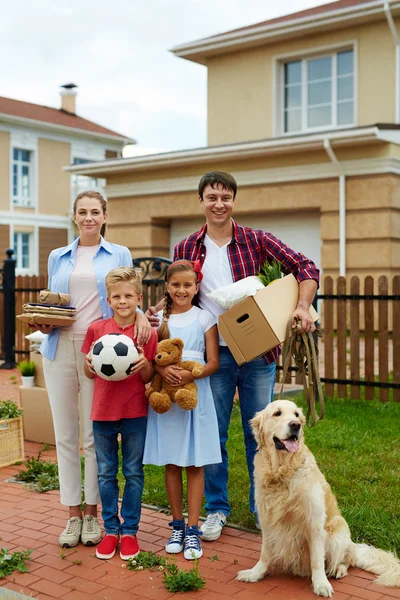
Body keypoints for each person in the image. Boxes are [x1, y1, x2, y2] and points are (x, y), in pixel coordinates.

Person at [146, 171, 319, 541]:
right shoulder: (187, 247)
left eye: (225, 197)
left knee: (260, 431)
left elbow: (306, 267)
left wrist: (303, 306)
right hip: (213, 357)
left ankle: (263, 508)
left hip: (258, 352)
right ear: (201, 201)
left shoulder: (257, 240)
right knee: (213, 434)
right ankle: (217, 508)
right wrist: (156, 317)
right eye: (212, 197)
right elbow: (178, 294)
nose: (219, 203)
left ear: (234, 200)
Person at [40, 190, 151, 549]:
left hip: (103, 352)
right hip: (59, 346)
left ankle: (92, 515)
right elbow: (54, 303)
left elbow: (129, 294)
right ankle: (72, 516)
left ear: (104, 216)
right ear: (74, 216)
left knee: (93, 435)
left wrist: (143, 318)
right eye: (82, 212)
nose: (89, 217)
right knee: (65, 435)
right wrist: (45, 322)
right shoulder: (58, 256)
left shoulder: (119, 253)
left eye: (95, 212)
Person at [143, 260, 221, 560]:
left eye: (188, 285)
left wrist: (190, 375)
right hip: (166, 398)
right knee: (172, 463)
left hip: (194, 396)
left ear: (196, 287)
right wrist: (164, 374)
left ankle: (192, 529)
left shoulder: (205, 318)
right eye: (176, 285)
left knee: (195, 463)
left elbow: (213, 361)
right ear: (167, 286)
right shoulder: (157, 320)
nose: (182, 290)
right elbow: (151, 358)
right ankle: (176, 525)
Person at [82, 267, 157, 560]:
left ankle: (130, 532)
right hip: (102, 411)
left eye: (128, 296)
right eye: (117, 296)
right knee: (106, 473)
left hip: (135, 411)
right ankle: (110, 529)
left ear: (138, 297)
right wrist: (90, 364)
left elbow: (148, 375)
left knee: (134, 473)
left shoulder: (145, 332)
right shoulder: (96, 330)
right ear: (108, 299)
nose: (123, 301)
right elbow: (90, 374)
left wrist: (143, 365)